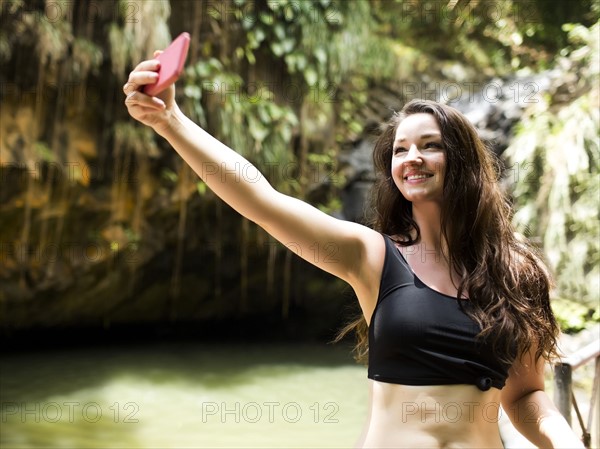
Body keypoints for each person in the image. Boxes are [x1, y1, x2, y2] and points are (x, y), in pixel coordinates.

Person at [123, 53, 585, 449]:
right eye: (400, 150)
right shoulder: (374, 256)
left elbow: (525, 395)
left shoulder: (516, 273)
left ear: (462, 163)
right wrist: (171, 122)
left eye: (430, 146)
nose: (411, 158)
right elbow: (261, 200)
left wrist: (564, 440)